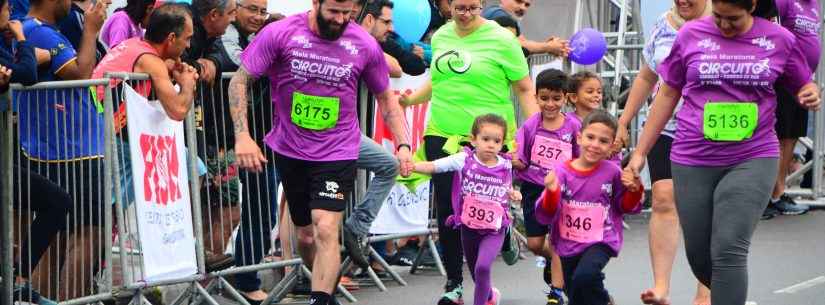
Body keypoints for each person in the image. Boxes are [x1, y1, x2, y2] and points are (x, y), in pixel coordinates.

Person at [624, 0, 821, 304]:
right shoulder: (690, 35)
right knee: (701, 256)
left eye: (733, 19)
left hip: (752, 156)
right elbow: (667, 92)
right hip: (693, 157)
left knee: (729, 248)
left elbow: (803, 82)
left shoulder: (779, 39)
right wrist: (640, 152)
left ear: (752, 7)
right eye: (718, 17)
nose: (725, 26)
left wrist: (809, 91)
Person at [228, 1, 413, 304]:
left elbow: (386, 99)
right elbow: (239, 81)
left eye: (347, 13)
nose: (340, 20)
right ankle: (323, 288)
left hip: (338, 149)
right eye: (333, 12)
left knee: (326, 227)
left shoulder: (363, 43)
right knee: (306, 236)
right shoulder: (281, 33)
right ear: (316, 3)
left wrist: (403, 145)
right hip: (291, 148)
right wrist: (242, 136)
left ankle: (321, 299)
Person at [400, 0, 539, 303]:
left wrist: (533, 135)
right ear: (448, 6)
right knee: (451, 212)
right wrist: (411, 101)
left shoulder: (503, 39)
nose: (465, 14)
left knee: (486, 206)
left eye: (472, 7)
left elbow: (525, 89)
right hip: (442, 133)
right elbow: (438, 81)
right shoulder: (440, 37)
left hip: (489, 139)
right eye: (459, 7)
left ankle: (503, 231)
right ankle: (454, 285)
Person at [614, 1, 713, 304]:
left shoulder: (723, 22)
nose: (682, 1)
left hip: (709, 130)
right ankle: (660, 287)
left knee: (706, 208)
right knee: (663, 197)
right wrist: (623, 120)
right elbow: (647, 76)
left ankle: (705, 290)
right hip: (665, 126)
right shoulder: (662, 24)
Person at [17, 0, 107, 299]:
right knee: (88, 232)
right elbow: (82, 72)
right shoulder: (39, 32)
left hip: (63, 147)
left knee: (58, 237)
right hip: (69, 150)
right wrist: (91, 30)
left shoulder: (43, 31)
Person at [535, 109, 643, 305]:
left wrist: (634, 190)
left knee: (585, 276)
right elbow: (547, 211)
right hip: (567, 242)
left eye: (603, 141)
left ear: (611, 146)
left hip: (600, 240)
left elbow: (623, 205)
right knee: (575, 291)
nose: (595, 145)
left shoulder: (612, 172)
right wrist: (551, 192)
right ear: (579, 137)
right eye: (590, 137)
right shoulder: (561, 171)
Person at [412, 114, 522, 305]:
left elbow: (506, 188)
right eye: (485, 139)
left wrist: (513, 194)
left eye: (496, 141)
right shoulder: (464, 159)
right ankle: (489, 296)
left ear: (502, 143)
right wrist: (411, 166)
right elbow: (435, 166)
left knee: (482, 268)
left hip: (494, 228)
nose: (490, 145)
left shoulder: (505, 164)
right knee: (476, 272)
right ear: (473, 139)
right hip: (468, 227)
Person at [513, 68, 578, 305]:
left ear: (566, 97)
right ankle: (560, 262)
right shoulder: (530, 126)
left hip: (562, 191)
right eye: (544, 98)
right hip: (534, 189)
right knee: (535, 244)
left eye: (556, 98)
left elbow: (581, 159)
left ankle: (557, 292)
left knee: (559, 240)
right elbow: (522, 160)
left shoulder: (574, 126)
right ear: (536, 97)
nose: (550, 104)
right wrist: (510, 160)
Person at [763, 0, 820, 218]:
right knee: (779, 137)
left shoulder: (814, 4)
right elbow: (772, 32)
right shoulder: (784, 1)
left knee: (792, 137)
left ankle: (778, 193)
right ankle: (767, 196)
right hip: (783, 77)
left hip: (802, 81)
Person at [359, 0, 426, 76]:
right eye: (386, 22)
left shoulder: (386, 43)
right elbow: (396, 70)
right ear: (369, 20)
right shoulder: (348, 39)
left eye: (391, 23)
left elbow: (418, 66)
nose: (391, 29)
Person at [481, 0, 569, 57]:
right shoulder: (497, 14)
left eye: (527, 5)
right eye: (518, 1)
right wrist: (548, 46)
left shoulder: (510, 19)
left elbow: (524, 45)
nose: (523, 7)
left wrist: (549, 46)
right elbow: (517, 46)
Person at [186, 0, 236, 84]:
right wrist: (199, 67)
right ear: (214, 15)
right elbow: (177, 64)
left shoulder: (211, 32)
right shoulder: (183, 25)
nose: (233, 19)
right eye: (230, 13)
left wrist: (213, 62)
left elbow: (218, 54)